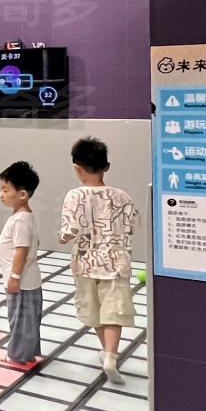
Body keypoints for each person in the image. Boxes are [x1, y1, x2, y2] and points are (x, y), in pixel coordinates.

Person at [59, 137, 140, 385]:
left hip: (85, 263)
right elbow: (134, 224)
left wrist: (67, 236)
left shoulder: (74, 196)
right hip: (116, 263)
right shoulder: (122, 196)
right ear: (107, 166)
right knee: (113, 311)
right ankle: (111, 357)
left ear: (76, 167)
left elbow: (68, 232)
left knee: (93, 309)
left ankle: (105, 351)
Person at [0, 160, 44, 369]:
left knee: (19, 319)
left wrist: (14, 277)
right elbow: (36, 243)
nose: (1, 194)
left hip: (22, 282)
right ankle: (28, 353)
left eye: (6, 190)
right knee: (28, 320)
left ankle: (17, 355)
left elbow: (21, 250)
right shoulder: (26, 217)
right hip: (30, 280)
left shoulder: (19, 220)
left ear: (22, 194)